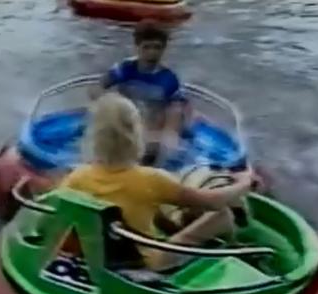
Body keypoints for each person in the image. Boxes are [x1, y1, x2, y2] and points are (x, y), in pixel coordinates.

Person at [60, 92, 255, 271]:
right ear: (136, 134)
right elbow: (213, 201)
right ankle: (233, 252)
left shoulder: (77, 177)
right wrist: (244, 182)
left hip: (99, 257)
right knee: (222, 214)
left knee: (158, 212)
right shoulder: (151, 179)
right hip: (145, 263)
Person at [89, 20, 188, 165]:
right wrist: (108, 106)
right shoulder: (124, 69)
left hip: (151, 133)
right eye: (146, 47)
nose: (152, 52)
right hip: (124, 126)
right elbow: (96, 89)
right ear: (137, 47)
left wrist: (170, 133)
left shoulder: (169, 79)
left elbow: (175, 110)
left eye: (157, 47)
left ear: (164, 49)